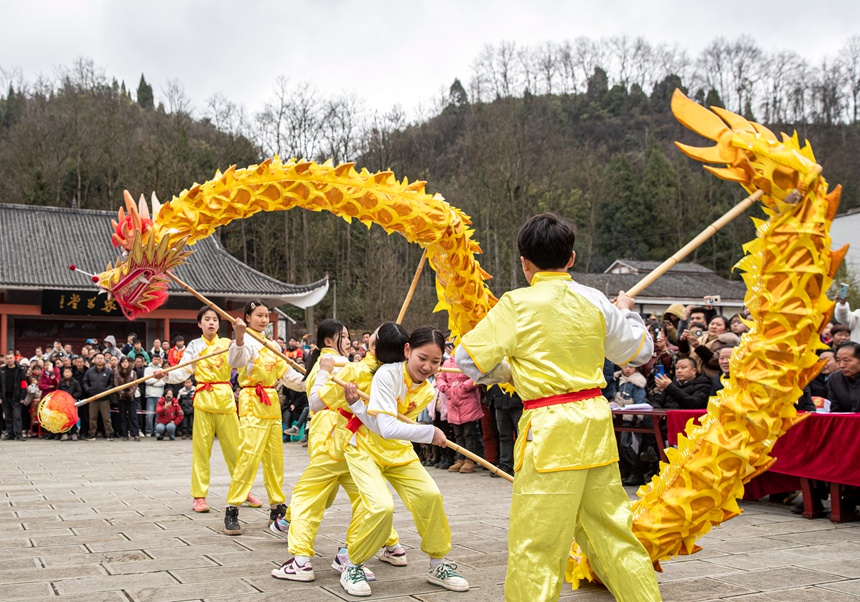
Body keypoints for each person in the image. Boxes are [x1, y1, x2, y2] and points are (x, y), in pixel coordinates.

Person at [455, 213, 660, 601]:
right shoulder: (596, 300)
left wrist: (510, 373)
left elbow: (468, 360)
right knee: (615, 534)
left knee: (537, 545)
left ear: (524, 262)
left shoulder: (516, 304)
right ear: (571, 258)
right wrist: (627, 310)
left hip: (548, 430)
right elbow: (638, 350)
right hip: (594, 424)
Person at [271, 322, 408, 585]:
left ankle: (301, 559)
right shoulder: (363, 365)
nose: (347, 340)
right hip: (353, 439)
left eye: (348, 336)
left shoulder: (339, 364)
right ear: (327, 340)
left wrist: (324, 372)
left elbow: (314, 401)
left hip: (331, 437)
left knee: (307, 497)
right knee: (363, 496)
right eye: (342, 336)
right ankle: (370, 548)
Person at [340, 326, 469, 597]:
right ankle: (353, 565)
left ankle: (438, 564)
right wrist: (429, 433)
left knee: (430, 496)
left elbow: (387, 427)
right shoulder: (388, 374)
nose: (428, 366)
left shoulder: (429, 390)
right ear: (407, 350)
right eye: (423, 358)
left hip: (398, 451)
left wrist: (359, 408)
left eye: (435, 361)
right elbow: (386, 427)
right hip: (364, 448)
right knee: (381, 507)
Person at [155, 307, 263, 513]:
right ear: (200, 323)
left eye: (215, 319)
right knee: (201, 452)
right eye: (207, 319)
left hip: (225, 401)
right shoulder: (194, 346)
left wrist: (239, 339)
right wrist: (166, 375)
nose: (211, 323)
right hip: (203, 401)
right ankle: (199, 496)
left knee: (236, 450)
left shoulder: (227, 344)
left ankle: (243, 490)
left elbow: (238, 361)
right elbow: (183, 370)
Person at [223, 300, 305, 535]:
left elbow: (287, 376)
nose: (263, 320)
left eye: (266, 316)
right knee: (248, 455)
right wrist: (239, 337)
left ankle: (277, 506)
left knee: (274, 457)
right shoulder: (246, 340)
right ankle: (233, 506)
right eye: (259, 315)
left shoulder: (273, 346)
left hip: (271, 402)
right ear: (247, 317)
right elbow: (236, 362)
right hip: (251, 399)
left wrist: (312, 381)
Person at [435, 355, 482, 474]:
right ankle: (460, 458)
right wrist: (445, 388)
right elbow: (440, 377)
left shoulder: (468, 360)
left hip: (468, 402)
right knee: (458, 433)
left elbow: (477, 376)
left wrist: (464, 386)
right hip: (453, 404)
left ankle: (470, 460)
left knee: (469, 433)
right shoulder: (447, 363)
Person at [485, 384, 522, 478]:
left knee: (521, 436)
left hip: (518, 403)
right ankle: (505, 464)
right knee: (504, 436)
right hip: (500, 402)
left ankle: (521, 464)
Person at [83, 353, 114, 440]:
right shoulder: (89, 371)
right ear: (95, 360)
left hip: (105, 399)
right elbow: (85, 382)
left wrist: (106, 391)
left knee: (106, 418)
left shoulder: (109, 371)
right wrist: (88, 390)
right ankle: (92, 433)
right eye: (98, 358)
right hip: (93, 398)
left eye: (101, 358)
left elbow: (112, 383)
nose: (100, 360)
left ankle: (109, 433)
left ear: (104, 360)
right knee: (92, 418)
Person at [1, 351, 26, 440]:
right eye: (7, 359)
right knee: (7, 416)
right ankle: (10, 433)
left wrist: (23, 396)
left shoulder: (20, 370)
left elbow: (23, 384)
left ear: (14, 359)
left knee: (17, 416)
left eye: (10, 358)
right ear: (5, 360)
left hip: (16, 397)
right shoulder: (2, 371)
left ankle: (18, 434)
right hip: (5, 397)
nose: (9, 360)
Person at [828, 342, 860, 412]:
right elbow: (835, 410)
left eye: (846, 361)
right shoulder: (834, 378)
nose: (841, 365)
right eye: (838, 360)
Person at [114, 356, 139, 441]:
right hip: (121, 396)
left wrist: (130, 393)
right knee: (123, 416)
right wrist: (122, 393)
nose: (125, 364)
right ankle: (124, 434)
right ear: (120, 363)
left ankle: (135, 433)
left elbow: (135, 384)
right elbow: (116, 385)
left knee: (133, 415)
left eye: (126, 362)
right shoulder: (116, 373)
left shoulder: (133, 372)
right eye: (123, 362)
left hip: (131, 396)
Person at [144, 357, 167, 437]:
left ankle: (157, 430)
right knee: (149, 415)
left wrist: (153, 382)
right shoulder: (147, 369)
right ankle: (148, 431)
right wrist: (157, 380)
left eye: (158, 359)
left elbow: (163, 382)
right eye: (154, 359)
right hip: (150, 394)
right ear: (152, 359)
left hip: (159, 394)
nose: (156, 361)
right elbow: (147, 381)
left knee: (158, 414)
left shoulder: (162, 369)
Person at [58, 367, 83, 440]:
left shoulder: (75, 382)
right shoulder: (61, 382)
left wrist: (72, 397)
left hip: (72, 402)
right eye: (65, 372)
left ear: (71, 373)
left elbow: (79, 391)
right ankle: (64, 433)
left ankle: (74, 433)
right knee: (64, 418)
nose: (67, 374)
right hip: (63, 402)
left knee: (73, 417)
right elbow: (58, 391)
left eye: (68, 372)